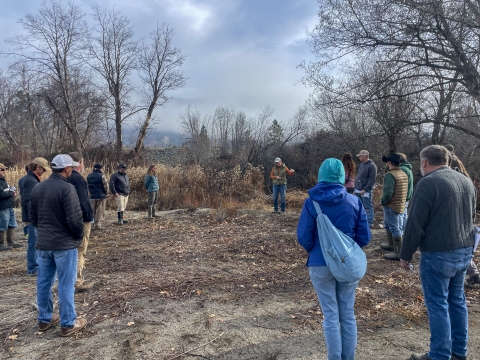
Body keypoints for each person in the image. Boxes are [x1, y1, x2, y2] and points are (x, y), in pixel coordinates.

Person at [400, 145, 475, 360]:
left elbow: (415, 223)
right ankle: (459, 351)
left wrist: (405, 254)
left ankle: (440, 355)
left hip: (438, 254)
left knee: (438, 304)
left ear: (424, 162)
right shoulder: (465, 181)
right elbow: (470, 217)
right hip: (464, 250)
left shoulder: (427, 184)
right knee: (457, 301)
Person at [297, 158, 370, 360]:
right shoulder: (354, 201)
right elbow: (364, 238)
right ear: (342, 176)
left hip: (320, 264)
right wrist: (346, 252)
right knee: (347, 314)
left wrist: (317, 251)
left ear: (321, 175)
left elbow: (303, 236)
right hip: (347, 266)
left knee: (330, 315)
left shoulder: (311, 202)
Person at [30, 154, 87, 337]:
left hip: (44, 244)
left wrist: (45, 232)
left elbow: (33, 218)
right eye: (71, 167)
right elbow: (75, 219)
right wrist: (77, 237)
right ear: (67, 169)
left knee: (44, 282)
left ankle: (44, 319)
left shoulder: (38, 188)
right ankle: (68, 323)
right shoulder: (67, 189)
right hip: (64, 245)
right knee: (65, 284)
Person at [68, 152, 94, 292]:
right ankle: (77, 280)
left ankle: (69, 279)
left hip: (70, 218)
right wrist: (89, 216)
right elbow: (83, 200)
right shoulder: (77, 179)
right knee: (80, 249)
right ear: (79, 163)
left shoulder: (65, 177)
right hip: (81, 219)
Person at [19, 157, 50, 275]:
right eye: (44, 169)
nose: (45, 172)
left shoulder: (29, 179)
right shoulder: (31, 181)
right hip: (32, 218)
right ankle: (32, 268)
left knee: (35, 242)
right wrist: (34, 217)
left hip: (32, 217)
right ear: (38, 167)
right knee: (34, 242)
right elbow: (28, 201)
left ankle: (34, 266)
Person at [379, 153, 408, 260]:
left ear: (390, 163)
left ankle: (398, 252)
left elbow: (388, 193)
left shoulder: (390, 175)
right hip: (400, 204)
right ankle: (392, 245)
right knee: (388, 225)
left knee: (395, 228)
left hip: (391, 205)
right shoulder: (403, 173)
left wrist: (383, 202)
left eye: (387, 162)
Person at [0, 163, 22, 251]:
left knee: (12, 223)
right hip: (3, 207)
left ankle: (11, 241)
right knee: (2, 225)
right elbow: (1, 194)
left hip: (9, 206)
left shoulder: (3, 181)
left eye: (4, 169)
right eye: (2, 170)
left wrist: (12, 190)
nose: (4, 171)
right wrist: (11, 193)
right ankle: (0, 243)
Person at [354, 150, 377, 227]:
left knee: (368, 207)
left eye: (361, 156)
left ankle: (369, 224)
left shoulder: (372, 166)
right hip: (358, 190)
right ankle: (360, 222)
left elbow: (372, 180)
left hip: (365, 191)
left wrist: (366, 189)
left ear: (365, 156)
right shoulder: (362, 165)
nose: (359, 157)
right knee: (358, 206)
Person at [87, 163, 108, 230]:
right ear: (100, 169)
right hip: (101, 196)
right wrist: (107, 193)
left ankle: (92, 225)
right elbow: (106, 186)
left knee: (92, 210)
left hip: (92, 196)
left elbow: (87, 186)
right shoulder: (102, 176)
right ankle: (97, 224)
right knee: (99, 211)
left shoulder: (88, 176)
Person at [398, 153, 414, 233]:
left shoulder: (402, 169)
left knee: (400, 216)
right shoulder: (407, 168)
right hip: (407, 196)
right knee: (404, 215)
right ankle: (405, 232)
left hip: (402, 196)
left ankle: (400, 234)